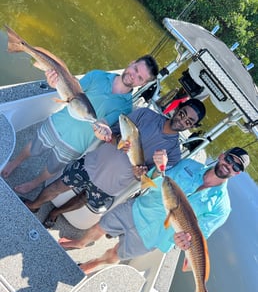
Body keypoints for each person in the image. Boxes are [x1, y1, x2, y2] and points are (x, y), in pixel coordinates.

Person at [57, 146, 250, 274]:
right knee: (101, 226)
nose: (229, 166)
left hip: (154, 236)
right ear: (222, 155)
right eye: (230, 160)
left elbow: (200, 234)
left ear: (237, 173)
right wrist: (158, 168)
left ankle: (89, 266)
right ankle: (80, 243)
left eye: (236, 167)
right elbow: (155, 178)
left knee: (116, 253)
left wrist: (182, 242)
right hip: (138, 208)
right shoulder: (190, 165)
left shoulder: (223, 207)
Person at [22, 98, 206, 228]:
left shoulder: (174, 154)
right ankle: (34, 204)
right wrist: (119, 140)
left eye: (189, 121)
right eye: (182, 114)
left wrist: (149, 170)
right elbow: (111, 134)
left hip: (113, 185)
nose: (182, 120)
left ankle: (55, 213)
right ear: (178, 109)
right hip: (92, 164)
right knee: (58, 185)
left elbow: (149, 179)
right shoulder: (145, 115)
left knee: (84, 198)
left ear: (192, 127)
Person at [1, 55, 159, 193]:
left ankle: (34, 183)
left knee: (52, 167)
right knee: (34, 145)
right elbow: (70, 92)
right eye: (136, 69)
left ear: (142, 84)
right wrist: (54, 83)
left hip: (76, 144)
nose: (134, 76)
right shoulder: (97, 75)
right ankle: (14, 162)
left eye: (140, 78)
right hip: (59, 123)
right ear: (131, 63)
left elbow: (104, 123)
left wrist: (102, 131)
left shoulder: (126, 108)